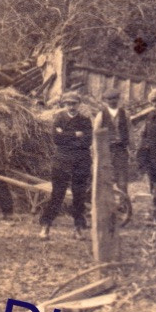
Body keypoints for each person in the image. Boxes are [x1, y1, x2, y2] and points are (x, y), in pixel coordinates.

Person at [38, 93, 91, 240]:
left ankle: (78, 227)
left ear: (79, 104)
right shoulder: (59, 118)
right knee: (57, 194)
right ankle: (46, 225)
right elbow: (56, 139)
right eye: (68, 104)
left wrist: (66, 135)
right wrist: (75, 135)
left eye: (74, 103)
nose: (71, 106)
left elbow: (87, 141)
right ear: (64, 105)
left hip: (81, 160)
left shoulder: (85, 120)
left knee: (79, 195)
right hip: (62, 160)